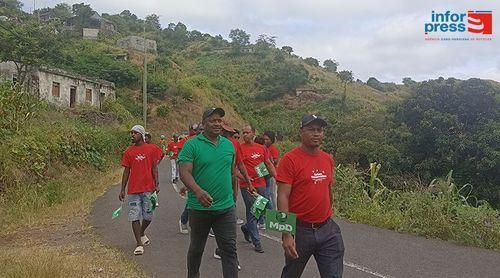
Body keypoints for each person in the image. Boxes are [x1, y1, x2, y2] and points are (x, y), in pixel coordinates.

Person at [277, 115, 344, 278]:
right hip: (300, 231)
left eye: (319, 130)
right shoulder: (290, 159)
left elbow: (328, 187)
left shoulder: (327, 158)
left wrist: (329, 211)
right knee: (291, 274)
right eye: (311, 130)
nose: (316, 134)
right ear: (301, 132)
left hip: (327, 229)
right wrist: (286, 234)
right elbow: (282, 196)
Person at [178, 108, 239, 278]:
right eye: (213, 120)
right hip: (199, 209)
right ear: (204, 122)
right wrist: (197, 191)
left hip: (226, 209)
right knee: (197, 249)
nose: (217, 123)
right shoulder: (192, 145)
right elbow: (184, 171)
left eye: (219, 120)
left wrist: (234, 195)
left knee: (229, 251)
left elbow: (232, 172)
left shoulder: (229, 145)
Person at [119, 125, 160, 256]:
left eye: (135, 133)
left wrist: (157, 184)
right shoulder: (128, 151)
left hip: (148, 188)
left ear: (141, 135)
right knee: (134, 215)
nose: (132, 135)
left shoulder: (152, 149)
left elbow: (154, 167)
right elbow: (126, 171)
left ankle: (142, 232)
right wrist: (122, 189)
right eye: (131, 133)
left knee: (148, 216)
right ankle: (139, 244)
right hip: (133, 190)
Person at [238, 125, 276, 253]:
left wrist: (278, 178)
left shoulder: (261, 148)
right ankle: (257, 242)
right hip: (246, 186)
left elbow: (268, 164)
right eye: (243, 133)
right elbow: (234, 168)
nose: (245, 135)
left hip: (261, 184)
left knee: (259, 210)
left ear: (253, 133)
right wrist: (244, 178)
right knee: (252, 211)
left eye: (247, 132)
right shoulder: (239, 149)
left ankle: (247, 227)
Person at [263, 130, 280, 210]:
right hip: (264, 174)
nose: (265, 141)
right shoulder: (263, 148)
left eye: (267, 139)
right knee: (265, 194)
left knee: (271, 194)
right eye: (264, 139)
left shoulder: (273, 149)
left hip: (271, 174)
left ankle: (274, 211)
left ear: (272, 140)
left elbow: (275, 161)